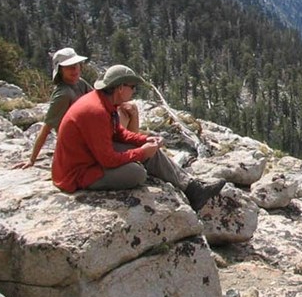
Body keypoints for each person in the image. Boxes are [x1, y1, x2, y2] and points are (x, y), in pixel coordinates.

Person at [51, 64, 225, 211]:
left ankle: (192, 188)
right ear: (120, 88)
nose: (133, 91)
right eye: (132, 87)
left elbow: (118, 132)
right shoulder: (95, 112)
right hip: (77, 172)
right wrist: (141, 153)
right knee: (137, 173)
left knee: (151, 151)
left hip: (90, 156)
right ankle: (189, 188)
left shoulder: (104, 101)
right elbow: (107, 160)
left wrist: (144, 141)